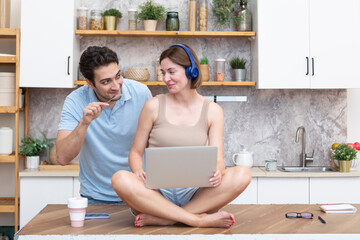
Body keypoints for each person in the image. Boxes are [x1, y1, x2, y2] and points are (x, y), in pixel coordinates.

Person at [111, 44, 252, 228]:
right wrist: (138, 171)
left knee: (243, 174)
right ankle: (195, 219)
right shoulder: (153, 106)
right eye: (163, 72)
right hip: (155, 193)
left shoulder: (213, 111)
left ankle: (167, 218)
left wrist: (218, 172)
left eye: (171, 72)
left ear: (191, 70)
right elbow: (135, 153)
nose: (166, 78)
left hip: (196, 193)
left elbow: (219, 160)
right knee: (120, 178)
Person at [56, 46, 152, 204]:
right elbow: (62, 157)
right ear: (90, 83)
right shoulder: (75, 101)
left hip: (138, 193)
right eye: (106, 81)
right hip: (95, 198)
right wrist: (84, 123)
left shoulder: (141, 93)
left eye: (118, 76)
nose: (116, 85)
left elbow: (154, 142)